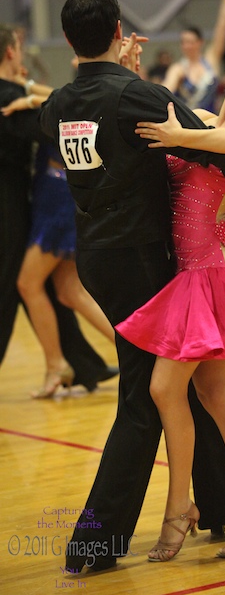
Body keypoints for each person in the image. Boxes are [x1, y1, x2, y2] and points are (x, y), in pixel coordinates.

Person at [38, 0, 225, 572]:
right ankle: (99, 540)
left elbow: (94, 126)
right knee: (148, 396)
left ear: (67, 40)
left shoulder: (58, 104)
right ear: (120, 30)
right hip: (144, 262)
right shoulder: (138, 95)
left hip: (97, 256)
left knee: (194, 385)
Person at [116, 44, 225, 561]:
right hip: (190, 280)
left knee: (163, 389)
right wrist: (127, 74)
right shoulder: (196, 121)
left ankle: (179, 511)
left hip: (203, 281)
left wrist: (179, 137)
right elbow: (176, 121)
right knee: (219, 401)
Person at [0, 23, 118, 392]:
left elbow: (63, 108)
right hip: (52, 198)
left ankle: (58, 366)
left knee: (26, 283)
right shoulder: (25, 95)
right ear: (10, 52)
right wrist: (30, 93)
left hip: (54, 199)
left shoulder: (44, 98)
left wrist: (30, 95)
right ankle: (131, 354)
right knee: (67, 291)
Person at [163, 0, 225, 111]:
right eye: (183, 42)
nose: (187, 46)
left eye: (190, 42)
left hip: (211, 123)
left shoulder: (210, 59)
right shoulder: (178, 68)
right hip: (187, 124)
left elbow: (222, 27)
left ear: (200, 42)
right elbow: (165, 91)